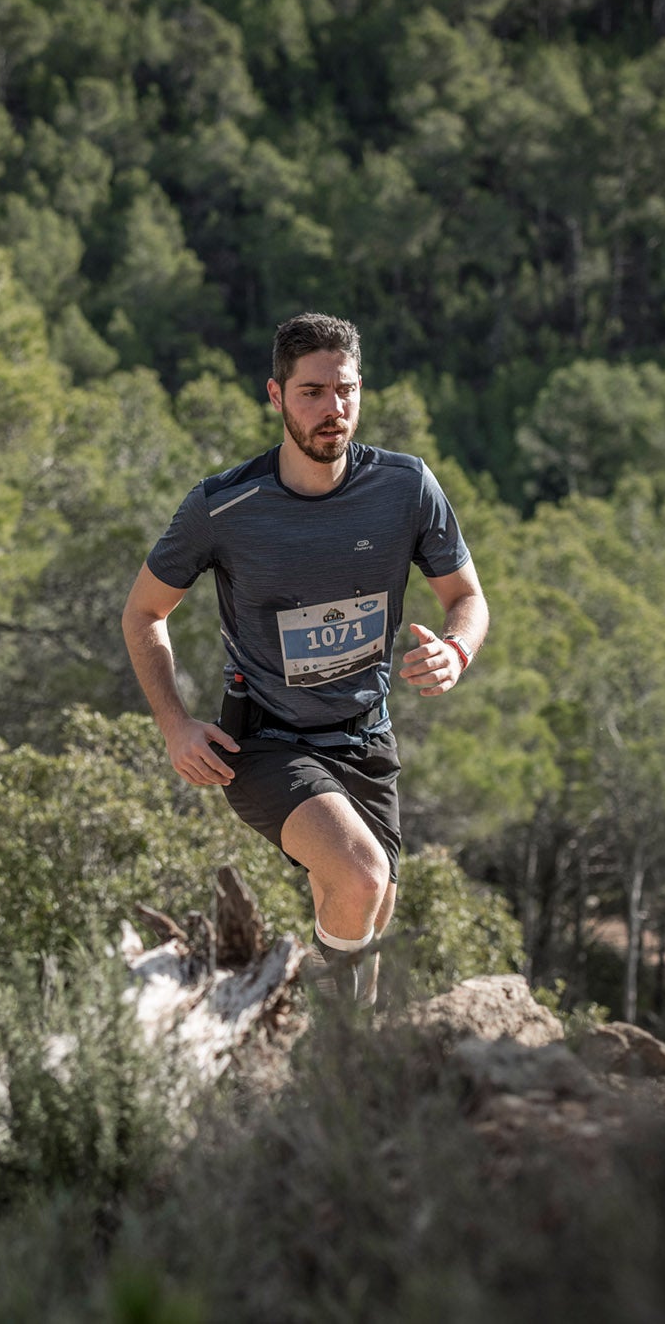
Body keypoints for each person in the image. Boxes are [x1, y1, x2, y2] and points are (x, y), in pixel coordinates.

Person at [121, 312, 488, 1006]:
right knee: (360, 875)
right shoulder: (224, 506)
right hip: (264, 741)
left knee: (364, 917)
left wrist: (458, 649)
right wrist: (175, 724)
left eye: (345, 390)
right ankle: (329, 1048)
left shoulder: (405, 489)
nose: (333, 409)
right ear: (276, 395)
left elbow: (467, 595)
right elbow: (142, 612)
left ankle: (333, 1057)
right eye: (313, 392)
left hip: (365, 738)